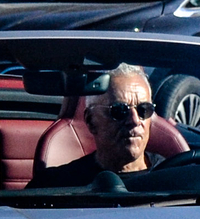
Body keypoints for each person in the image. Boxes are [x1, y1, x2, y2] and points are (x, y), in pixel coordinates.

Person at [29, 65, 170, 186]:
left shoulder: (174, 178)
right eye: (119, 110)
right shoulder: (58, 186)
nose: (134, 120)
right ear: (91, 121)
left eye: (143, 109)